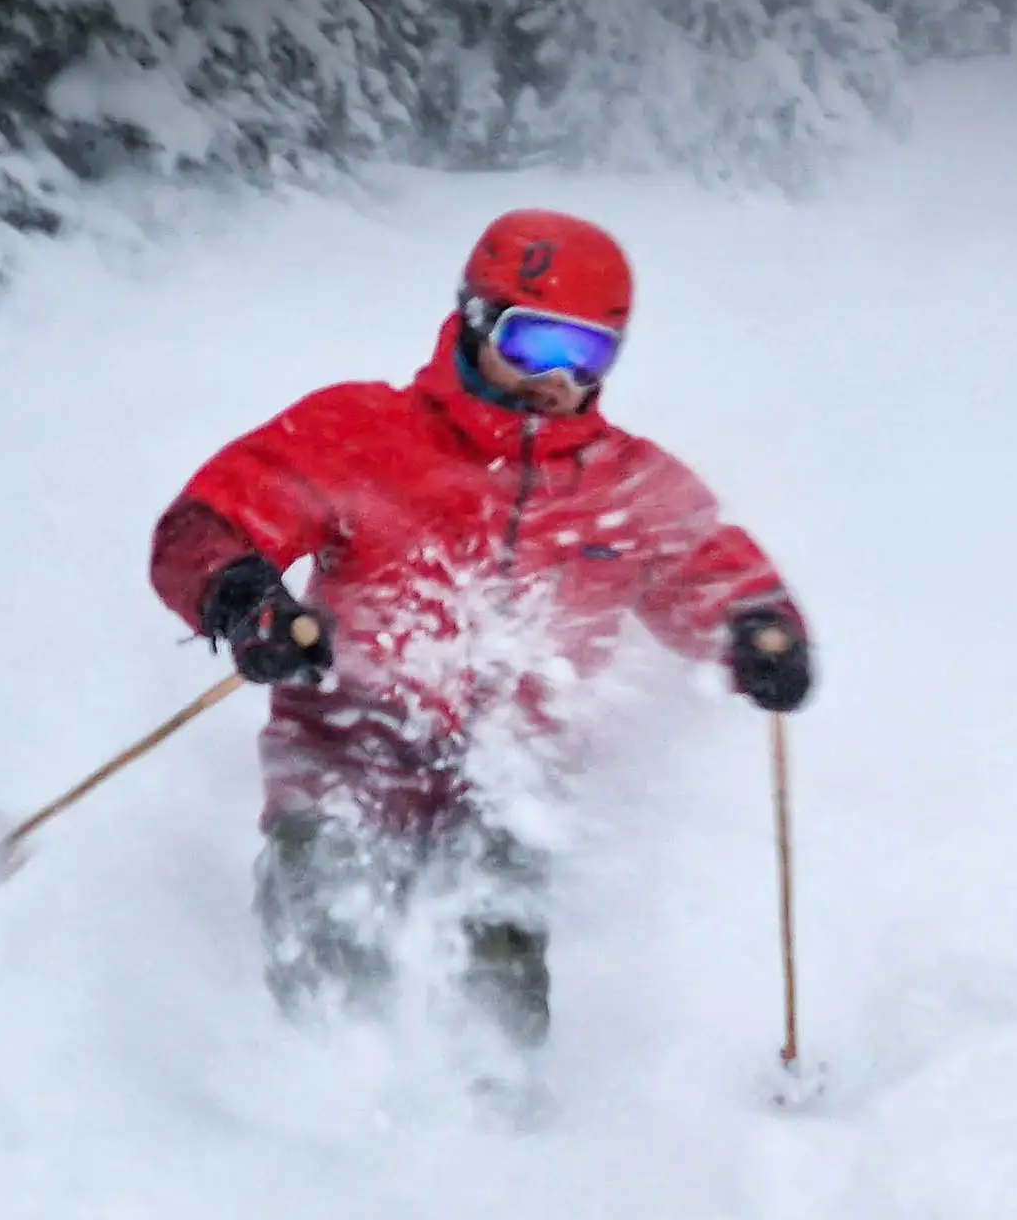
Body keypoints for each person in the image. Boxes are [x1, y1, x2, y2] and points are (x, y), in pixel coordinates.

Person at [150, 209, 813, 1055]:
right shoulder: (366, 433)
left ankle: (494, 1139)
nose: (560, 377)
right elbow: (206, 528)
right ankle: (318, 1119)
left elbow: (706, 566)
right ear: (475, 321)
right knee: (331, 924)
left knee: (496, 960)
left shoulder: (621, 482)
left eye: (590, 355)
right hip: (349, 752)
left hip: (509, 777)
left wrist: (759, 628)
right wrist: (246, 601)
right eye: (536, 343)